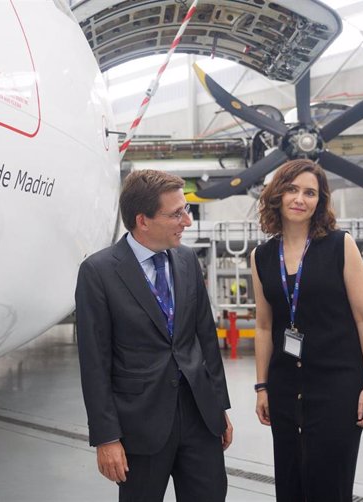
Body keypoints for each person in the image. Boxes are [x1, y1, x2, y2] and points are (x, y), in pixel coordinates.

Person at [75, 169, 233, 502]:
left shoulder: (188, 260)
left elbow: (205, 338)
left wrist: (219, 408)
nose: (187, 221)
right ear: (142, 221)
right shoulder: (98, 272)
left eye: (186, 209)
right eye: (176, 214)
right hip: (140, 425)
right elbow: (94, 363)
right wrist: (106, 438)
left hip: (199, 417)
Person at [250, 159, 363, 501]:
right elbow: (264, 326)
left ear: (320, 201)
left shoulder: (340, 245)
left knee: (329, 484)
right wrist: (262, 386)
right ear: (277, 194)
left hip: (338, 386)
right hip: (284, 387)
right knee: (290, 482)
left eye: (310, 193)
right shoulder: (262, 256)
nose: (299, 199)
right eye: (292, 189)